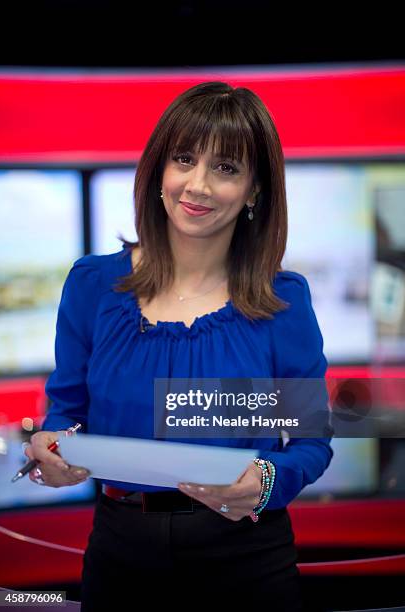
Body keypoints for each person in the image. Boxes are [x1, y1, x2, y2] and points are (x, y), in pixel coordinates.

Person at [25, 81, 334, 610]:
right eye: (184, 160)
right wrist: (49, 450)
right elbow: (65, 415)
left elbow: (312, 443)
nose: (198, 185)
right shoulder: (91, 286)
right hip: (120, 551)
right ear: (157, 171)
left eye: (226, 168)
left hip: (247, 556)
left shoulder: (283, 301)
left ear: (255, 190)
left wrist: (266, 480)